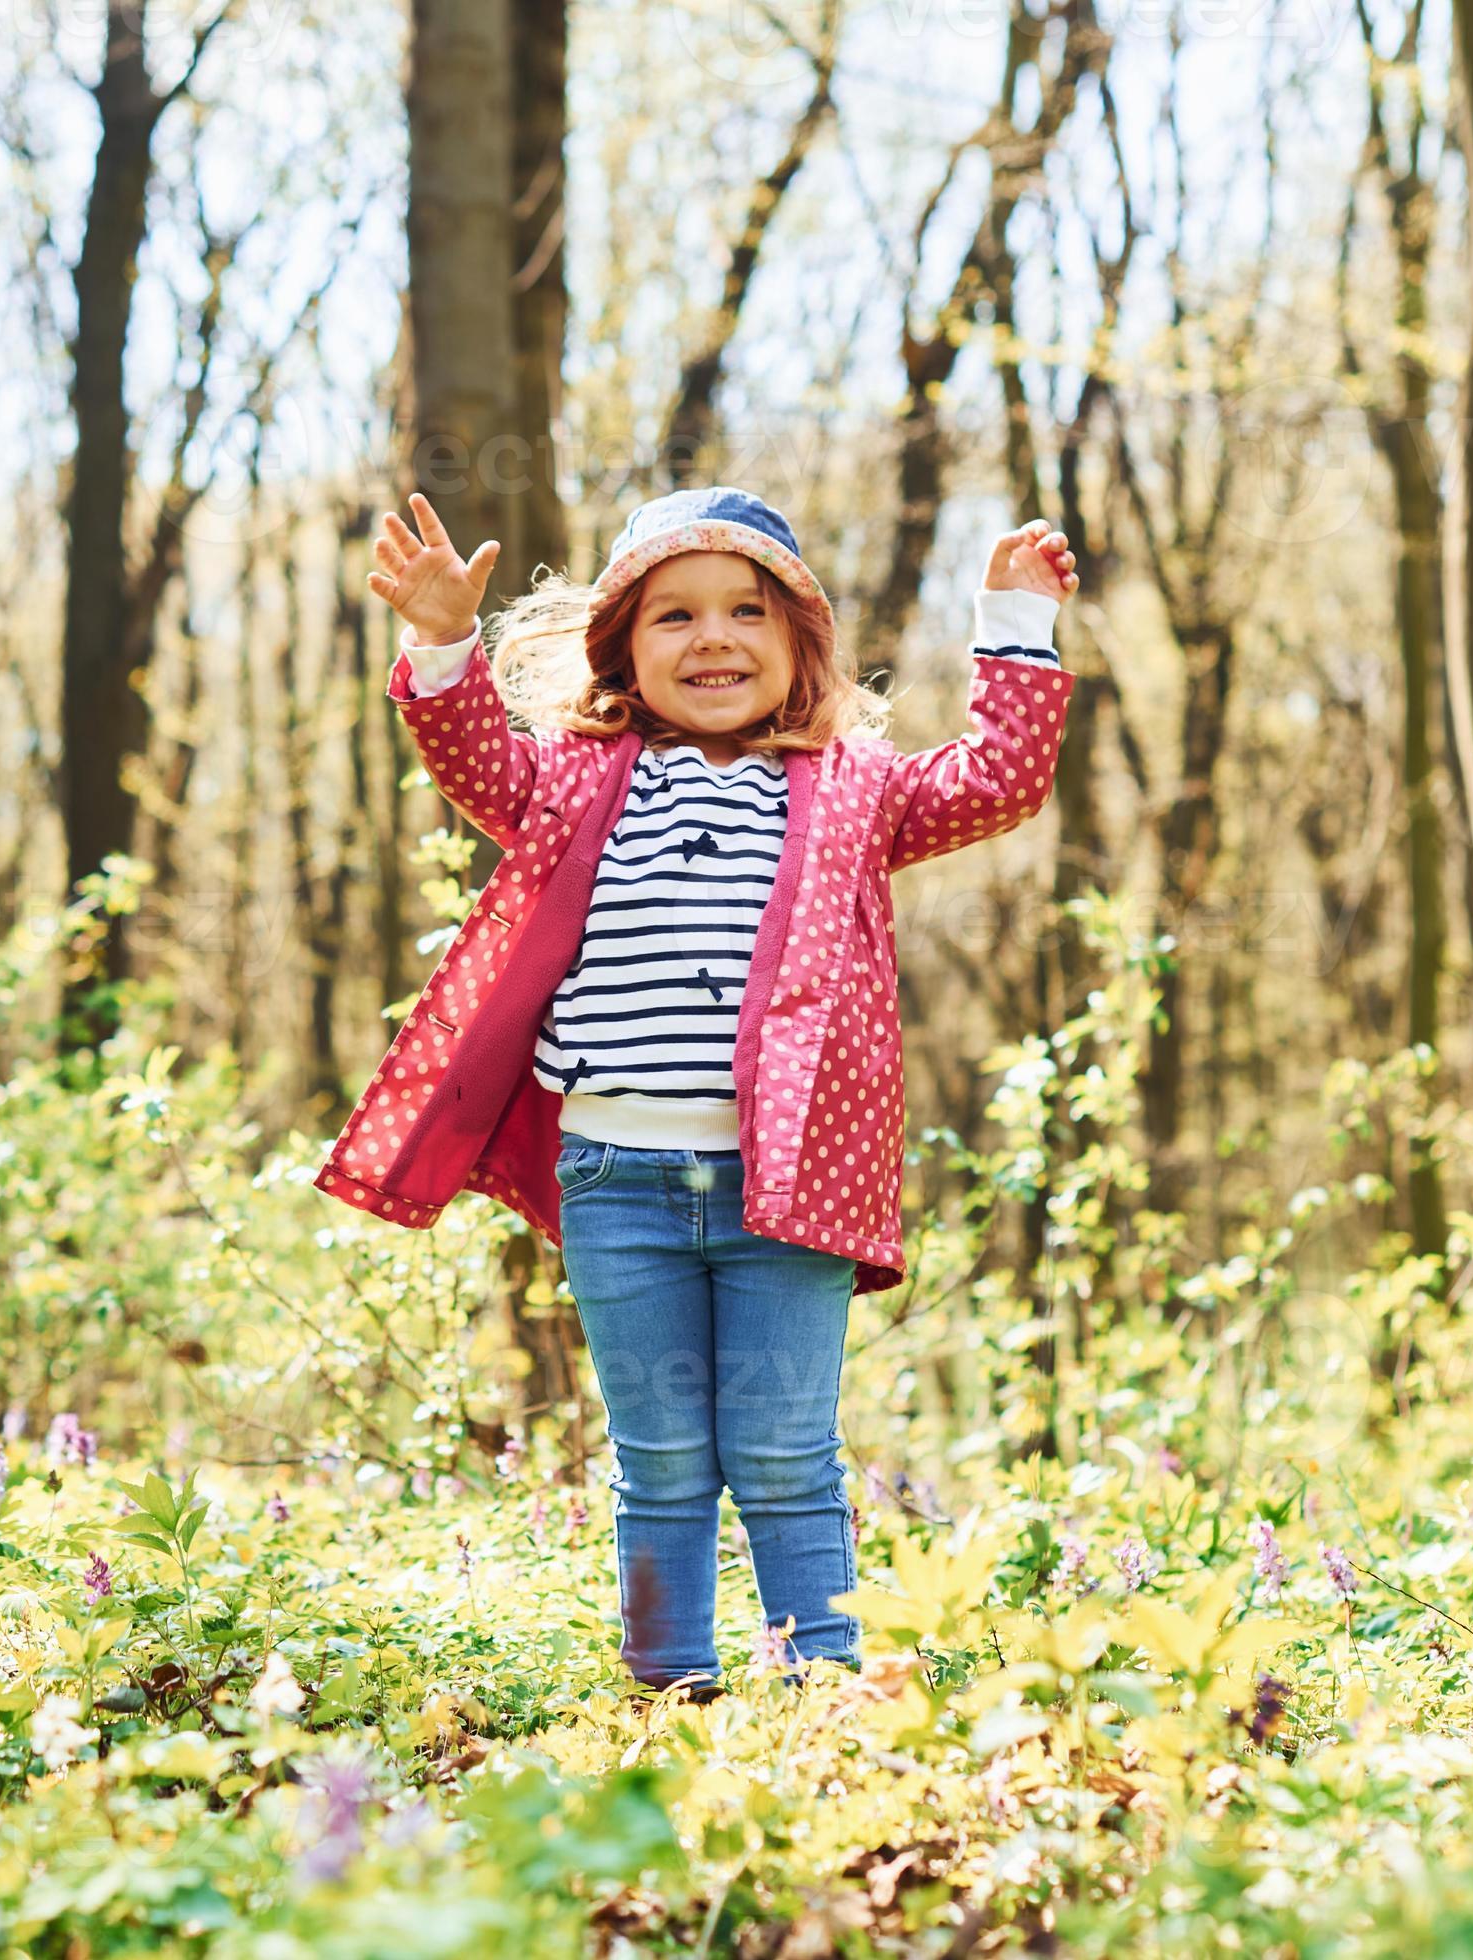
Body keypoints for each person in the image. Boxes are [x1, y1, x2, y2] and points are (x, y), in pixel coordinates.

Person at [316, 484, 1078, 1696]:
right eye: (673, 616)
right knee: (660, 1455)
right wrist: (438, 639)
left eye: (745, 613)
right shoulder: (569, 782)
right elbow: (462, 752)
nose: (712, 639)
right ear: (621, 646)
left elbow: (994, 780)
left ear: (799, 647)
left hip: (788, 1188)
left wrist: (1012, 623)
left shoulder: (848, 789)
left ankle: (820, 1690)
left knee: (783, 1454)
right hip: (617, 1183)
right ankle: (668, 1689)